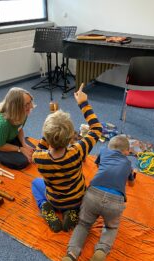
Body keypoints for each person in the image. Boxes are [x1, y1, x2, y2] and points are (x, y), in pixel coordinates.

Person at [62, 135, 136, 261]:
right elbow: (131, 182)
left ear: (109, 148)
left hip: (93, 194)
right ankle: (102, 249)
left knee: (83, 224)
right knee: (111, 228)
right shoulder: (128, 164)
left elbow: (98, 165)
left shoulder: (103, 151)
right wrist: (132, 175)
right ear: (127, 152)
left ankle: (72, 254)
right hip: (115, 200)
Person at [32, 83, 102, 233]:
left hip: (55, 200)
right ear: (71, 137)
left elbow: (43, 143)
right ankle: (71, 212)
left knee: (35, 183)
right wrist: (83, 103)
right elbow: (97, 128)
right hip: (77, 198)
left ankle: (46, 208)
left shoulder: (38, 157)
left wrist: (52, 123)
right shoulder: (78, 151)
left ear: (47, 134)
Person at [0, 87, 35, 170]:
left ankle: (11, 152)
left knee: (32, 151)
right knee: (22, 162)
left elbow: (19, 128)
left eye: (30, 101)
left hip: (8, 138)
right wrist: (20, 149)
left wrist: (24, 144)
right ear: (16, 107)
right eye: (26, 104)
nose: (31, 106)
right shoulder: (2, 123)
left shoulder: (24, 112)